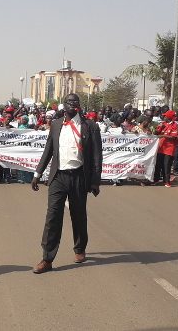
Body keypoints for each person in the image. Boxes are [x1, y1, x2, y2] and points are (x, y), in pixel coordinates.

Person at [31, 93, 102, 274]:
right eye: (70, 102)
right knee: (53, 216)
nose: (73, 104)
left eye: (76, 102)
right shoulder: (55, 125)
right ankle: (47, 258)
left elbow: (96, 156)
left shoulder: (90, 126)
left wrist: (95, 181)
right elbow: (48, 150)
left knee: (78, 215)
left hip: (79, 177)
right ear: (64, 105)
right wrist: (38, 173)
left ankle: (79, 248)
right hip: (58, 177)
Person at [155, 110, 178, 187]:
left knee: (166, 165)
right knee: (158, 165)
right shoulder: (162, 124)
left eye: (165, 116)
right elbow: (156, 133)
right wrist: (159, 128)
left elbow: (173, 137)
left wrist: (163, 136)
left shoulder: (174, 125)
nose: (164, 117)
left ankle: (167, 181)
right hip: (160, 147)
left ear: (169, 117)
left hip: (169, 149)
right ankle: (156, 179)